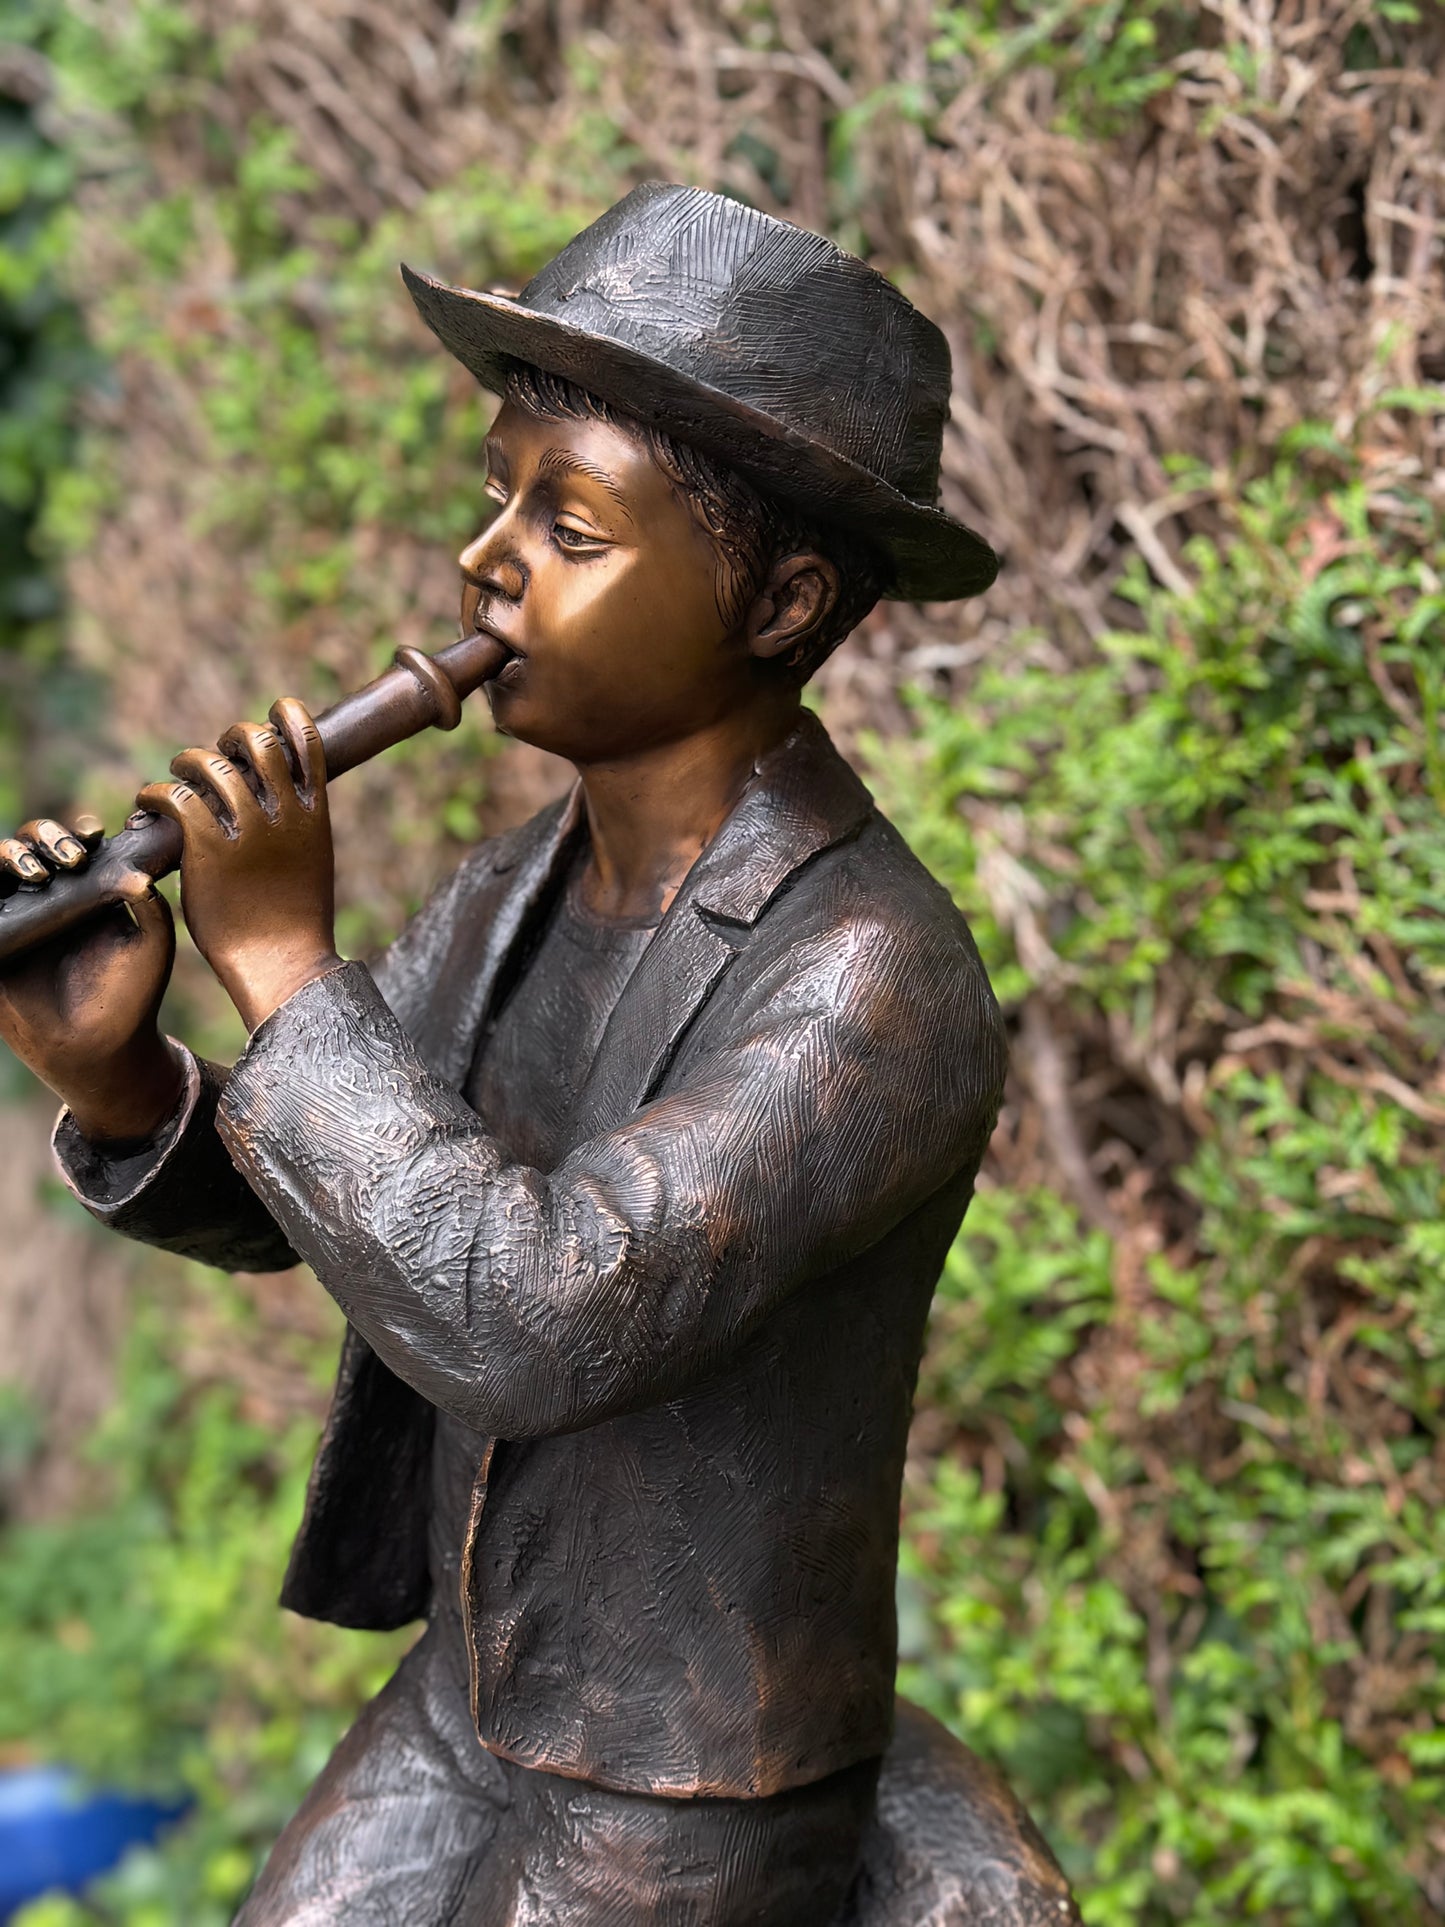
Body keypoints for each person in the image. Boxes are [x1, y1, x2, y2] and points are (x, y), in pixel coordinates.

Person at [0, 185, 1072, 1926]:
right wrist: (124, 1082)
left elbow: (529, 1313)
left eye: (570, 524)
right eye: (496, 493)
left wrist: (278, 963)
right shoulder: (520, 885)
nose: (485, 561)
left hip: (686, 1782)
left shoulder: (873, 981)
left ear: (782, 597)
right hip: (468, 1702)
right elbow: (342, 1205)